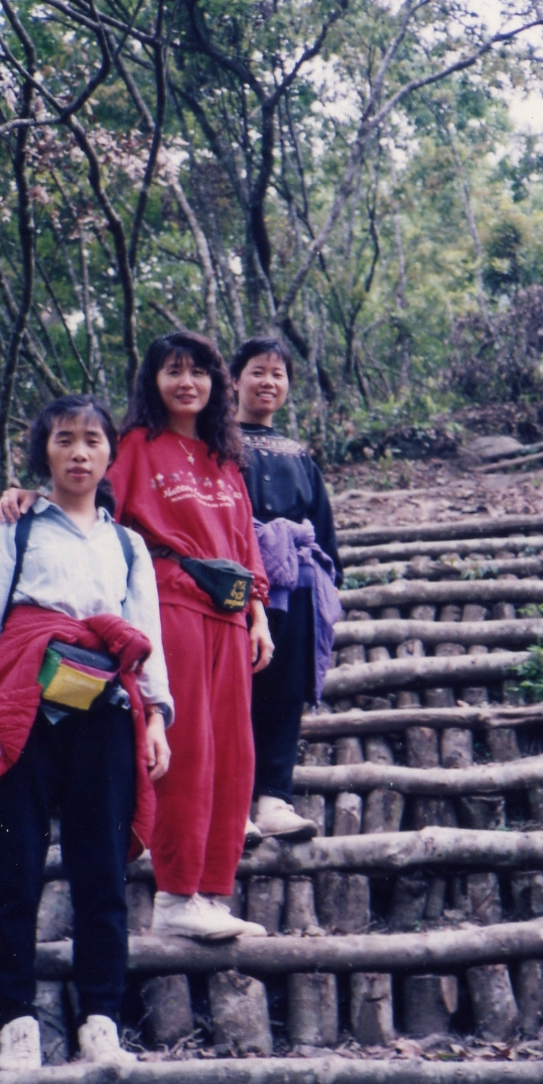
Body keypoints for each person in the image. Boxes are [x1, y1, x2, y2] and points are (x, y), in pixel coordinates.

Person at [0, 332, 274, 942]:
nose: (187, 383)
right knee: (190, 751)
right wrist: (28, 495)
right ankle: (175, 895)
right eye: (173, 371)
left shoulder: (226, 458)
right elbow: (84, 498)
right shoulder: (137, 447)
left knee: (234, 756)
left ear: (217, 384)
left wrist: (259, 613)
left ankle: (212, 892)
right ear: (153, 381)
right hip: (172, 606)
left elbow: (245, 545)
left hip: (229, 618)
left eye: (199, 372)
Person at [0, 395, 173, 1071]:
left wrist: (156, 717)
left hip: (104, 713)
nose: (79, 452)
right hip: (19, 707)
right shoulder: (14, 527)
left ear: (110, 455)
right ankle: (16, 1024)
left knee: (101, 873)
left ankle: (100, 1020)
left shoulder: (127, 545)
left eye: (93, 440)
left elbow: (146, 635)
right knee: (12, 868)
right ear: (44, 451)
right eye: (64, 439)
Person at [231, 336, 343, 839]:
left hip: (296, 582)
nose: (268, 382)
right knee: (235, 690)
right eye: (257, 371)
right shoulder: (214, 445)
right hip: (235, 580)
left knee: (285, 690)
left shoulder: (300, 455)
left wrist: (327, 583)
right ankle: (233, 804)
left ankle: (273, 800)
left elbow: (322, 527)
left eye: (278, 374)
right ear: (234, 380)